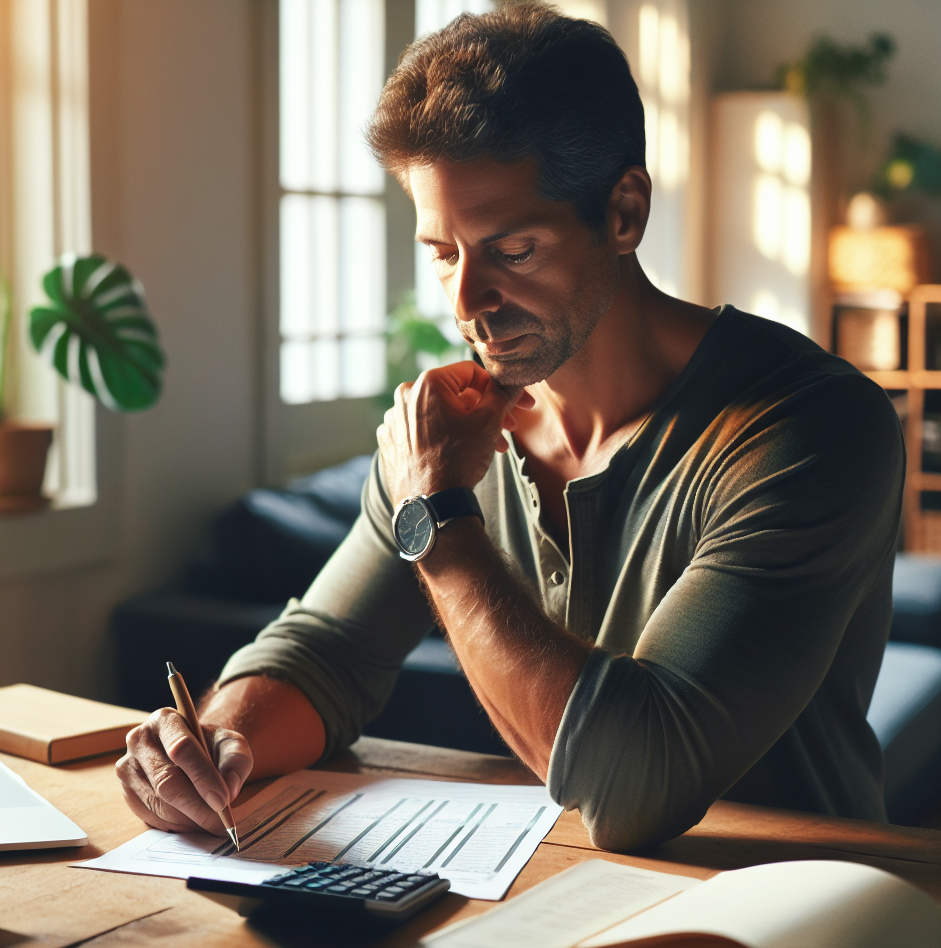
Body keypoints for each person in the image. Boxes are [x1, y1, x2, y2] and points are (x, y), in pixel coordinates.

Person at [116, 3, 904, 852]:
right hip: (559, 901)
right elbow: (324, 656)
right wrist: (216, 745)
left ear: (624, 212)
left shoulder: (812, 428)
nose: (464, 304)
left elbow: (638, 785)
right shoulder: (449, 437)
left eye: (512, 250)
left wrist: (443, 526)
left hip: (800, 921)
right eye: (443, 252)